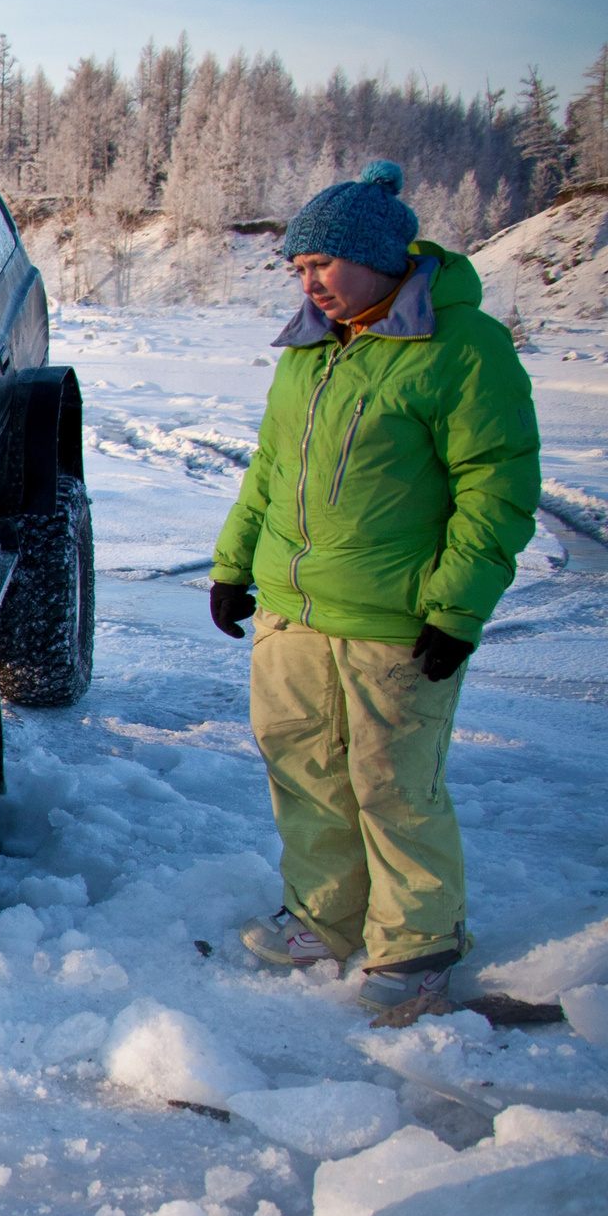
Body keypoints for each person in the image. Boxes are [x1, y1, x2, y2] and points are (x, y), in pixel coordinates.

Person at [209, 160, 540, 1015]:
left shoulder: (463, 349)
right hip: (293, 611)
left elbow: (496, 487)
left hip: (395, 616)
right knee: (305, 768)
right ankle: (325, 912)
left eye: (323, 263)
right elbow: (270, 468)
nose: (309, 282)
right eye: (298, 267)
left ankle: (419, 941)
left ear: (379, 257)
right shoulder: (309, 350)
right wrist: (234, 564)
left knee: (394, 783)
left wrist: (458, 606)